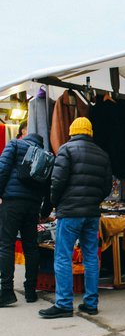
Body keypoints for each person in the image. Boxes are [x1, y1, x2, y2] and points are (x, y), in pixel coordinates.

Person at [39, 117, 111, 319]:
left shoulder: (66, 149)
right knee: (91, 257)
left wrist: (54, 203)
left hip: (70, 212)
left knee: (63, 256)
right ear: (89, 132)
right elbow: (106, 187)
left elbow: (57, 181)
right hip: (91, 213)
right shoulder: (102, 154)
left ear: (72, 131)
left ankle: (63, 304)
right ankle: (91, 303)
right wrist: (92, 201)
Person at [0, 131, 51, 306]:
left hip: (12, 203)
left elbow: (2, 169)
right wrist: (44, 212)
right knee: (31, 247)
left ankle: (6, 291)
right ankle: (30, 291)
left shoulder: (15, 144)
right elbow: (48, 188)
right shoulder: (46, 156)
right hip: (33, 207)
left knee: (6, 245)